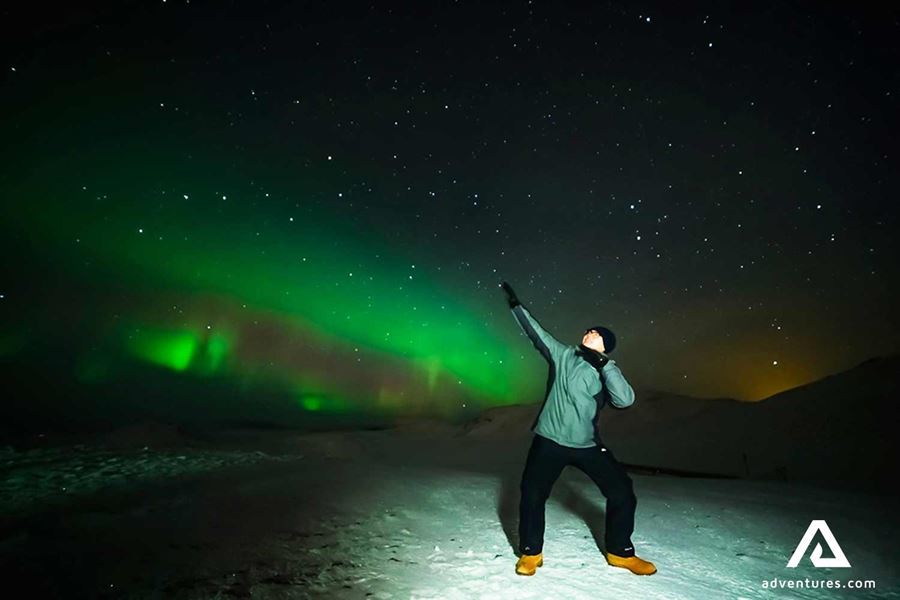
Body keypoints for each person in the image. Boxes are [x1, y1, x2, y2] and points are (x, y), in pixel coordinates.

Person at [500, 281, 657, 577]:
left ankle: (620, 552)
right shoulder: (563, 355)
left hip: (585, 445)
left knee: (622, 491)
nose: (589, 332)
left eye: (596, 333)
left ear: (605, 345)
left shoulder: (605, 370)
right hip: (549, 441)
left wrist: (605, 364)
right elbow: (537, 333)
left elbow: (625, 400)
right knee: (532, 493)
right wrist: (516, 306)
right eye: (589, 330)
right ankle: (531, 553)